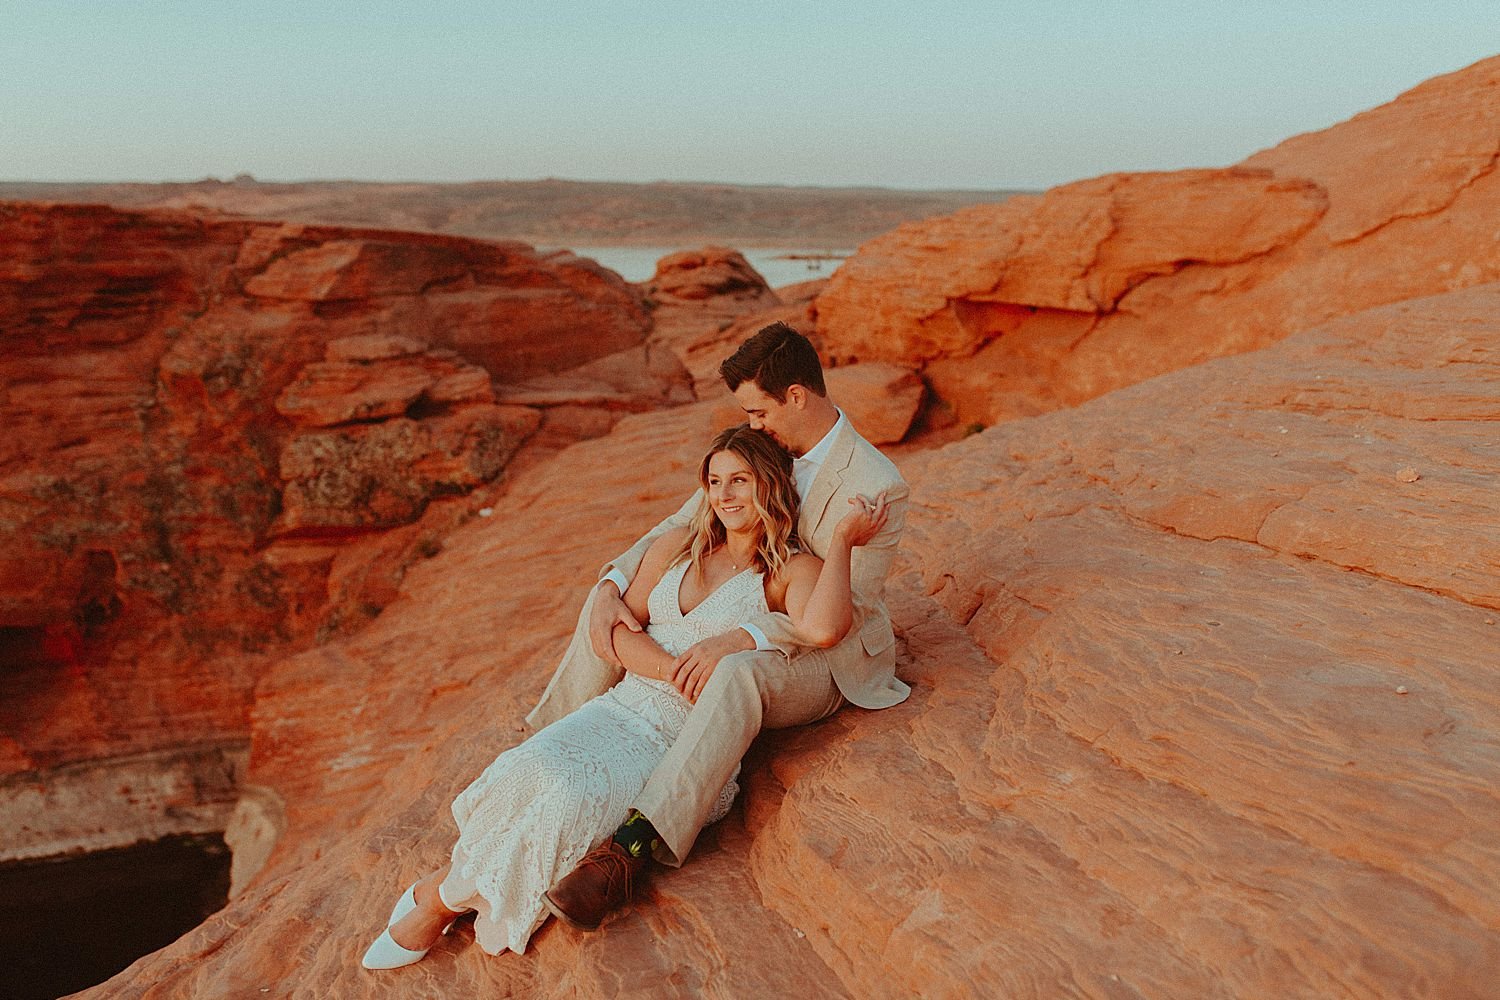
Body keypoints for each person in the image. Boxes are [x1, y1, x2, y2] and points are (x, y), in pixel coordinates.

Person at [361, 423, 889, 969]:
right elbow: (619, 632)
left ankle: (436, 903)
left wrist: (846, 538)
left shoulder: (785, 572)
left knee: (567, 799)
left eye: (741, 480)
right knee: (526, 769)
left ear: (771, 485)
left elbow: (826, 628)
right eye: (714, 481)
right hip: (621, 707)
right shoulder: (676, 547)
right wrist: (668, 666)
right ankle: (454, 887)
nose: (726, 495)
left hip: (684, 741)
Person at [535, 322, 910, 931]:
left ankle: (631, 848)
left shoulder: (875, 484)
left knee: (737, 673)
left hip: (824, 652)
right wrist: (612, 581)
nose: (754, 424)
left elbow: (842, 614)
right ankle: (555, 732)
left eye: (759, 410)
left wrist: (748, 635)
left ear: (796, 396)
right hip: (768, 615)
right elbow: (683, 521)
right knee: (606, 603)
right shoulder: (759, 450)